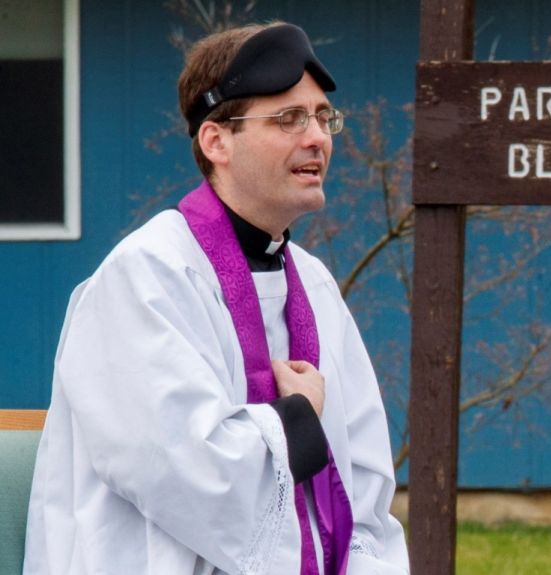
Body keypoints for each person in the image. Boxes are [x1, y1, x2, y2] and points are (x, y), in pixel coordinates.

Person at [23, 22, 409, 574]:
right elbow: (184, 472)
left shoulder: (315, 285)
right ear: (216, 141)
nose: (318, 138)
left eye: (324, 118)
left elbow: (364, 488)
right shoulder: (148, 276)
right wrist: (297, 419)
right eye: (289, 118)